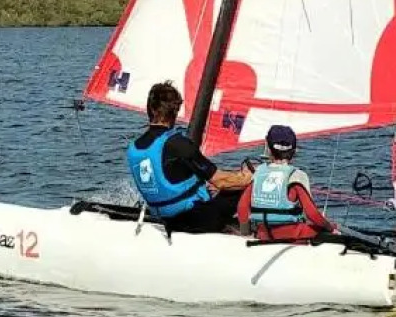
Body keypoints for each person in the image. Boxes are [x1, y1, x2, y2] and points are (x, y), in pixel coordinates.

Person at [126, 81, 253, 234]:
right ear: (175, 111)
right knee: (244, 187)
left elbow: (170, 174)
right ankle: (251, 231)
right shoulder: (179, 144)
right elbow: (221, 180)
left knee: (213, 189)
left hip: (162, 218)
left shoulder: (134, 148)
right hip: (195, 221)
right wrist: (250, 177)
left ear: (150, 109)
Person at [238, 124, 339, 242]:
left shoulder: (259, 172)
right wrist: (330, 228)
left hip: (263, 233)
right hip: (292, 235)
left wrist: (245, 233)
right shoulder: (296, 175)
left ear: (268, 148)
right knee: (325, 228)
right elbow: (312, 214)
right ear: (294, 151)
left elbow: (242, 207)